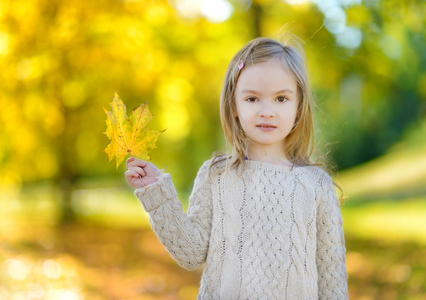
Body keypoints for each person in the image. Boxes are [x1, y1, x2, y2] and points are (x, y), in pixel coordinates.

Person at [125, 36, 348, 299]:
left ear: (299, 106)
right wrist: (157, 194)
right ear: (234, 105)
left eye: (281, 99)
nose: (267, 111)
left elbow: (332, 278)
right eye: (253, 99)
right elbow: (191, 253)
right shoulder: (217, 176)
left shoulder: (316, 186)